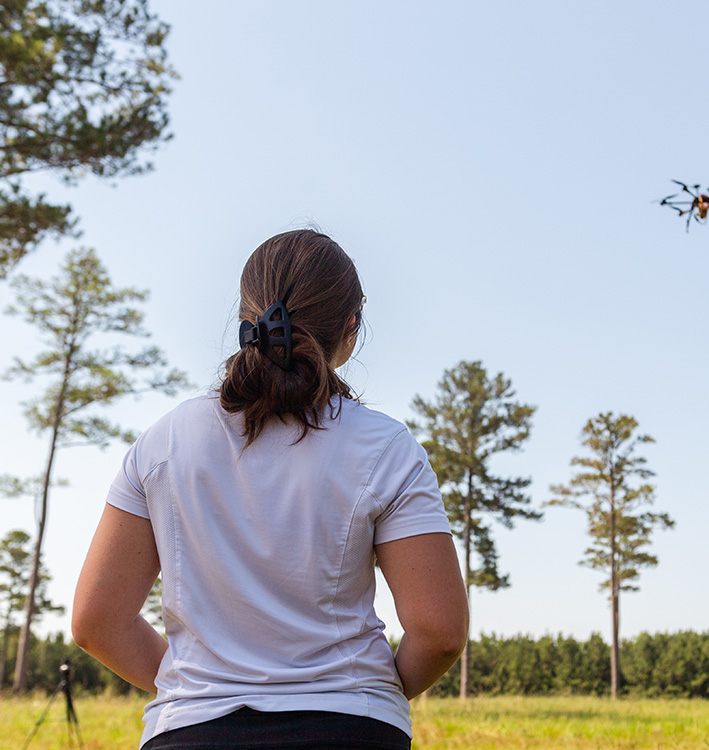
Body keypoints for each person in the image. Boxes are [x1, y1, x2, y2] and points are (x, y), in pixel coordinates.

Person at [73, 229, 469, 750]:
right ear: (351, 327)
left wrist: (194, 689)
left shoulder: (163, 441)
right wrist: (375, 694)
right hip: (349, 730)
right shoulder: (386, 447)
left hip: (188, 734)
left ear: (246, 316)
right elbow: (439, 632)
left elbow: (95, 621)